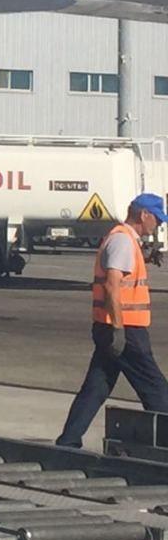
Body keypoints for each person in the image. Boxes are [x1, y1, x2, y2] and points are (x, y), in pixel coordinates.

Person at [56, 192, 168, 448]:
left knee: (97, 387)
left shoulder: (125, 239)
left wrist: (146, 257)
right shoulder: (122, 240)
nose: (159, 224)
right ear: (144, 215)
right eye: (157, 218)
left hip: (113, 326)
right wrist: (118, 329)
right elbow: (112, 285)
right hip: (125, 329)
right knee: (155, 387)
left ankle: (68, 441)